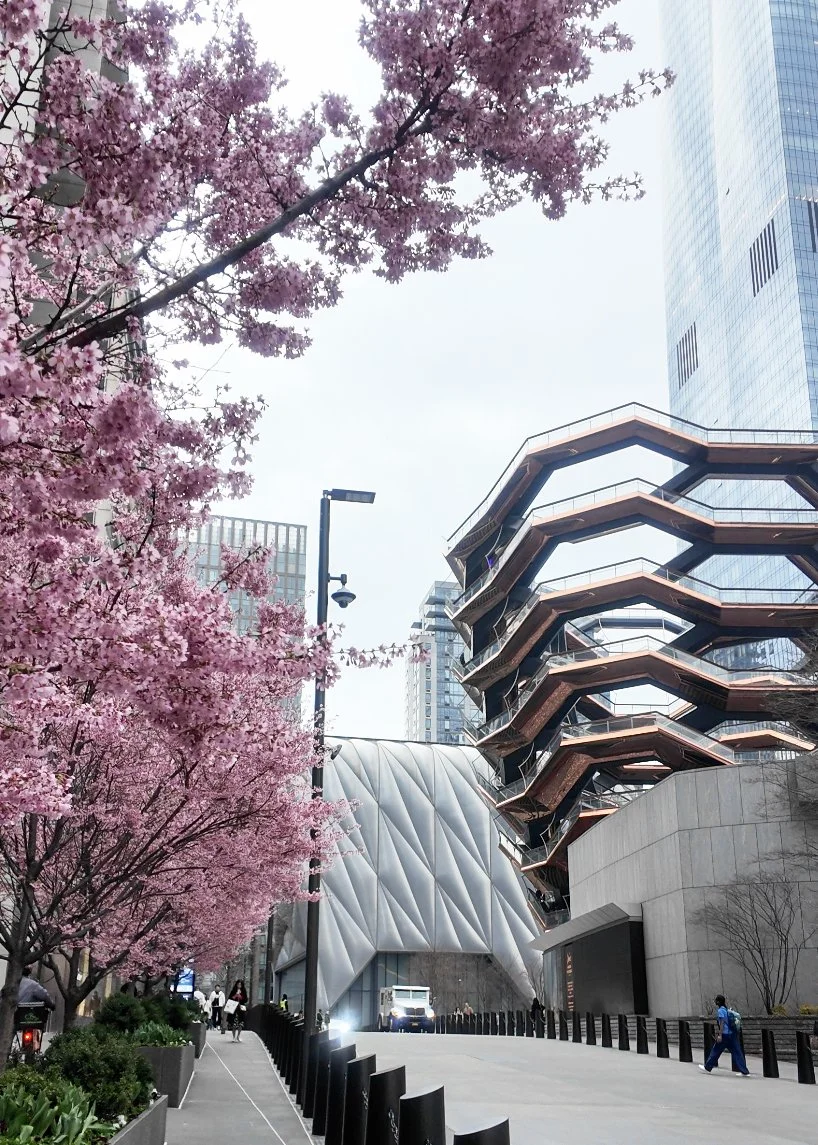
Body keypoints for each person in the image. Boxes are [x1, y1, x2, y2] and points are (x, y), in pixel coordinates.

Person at [699, 994, 749, 1076]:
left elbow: (722, 1023)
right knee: (737, 1052)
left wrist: (720, 1035)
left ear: (718, 1002)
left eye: (716, 1000)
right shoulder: (726, 1009)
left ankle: (707, 1067)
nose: (715, 1002)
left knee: (716, 1051)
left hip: (725, 1034)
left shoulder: (720, 1011)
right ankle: (745, 1071)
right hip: (731, 1034)